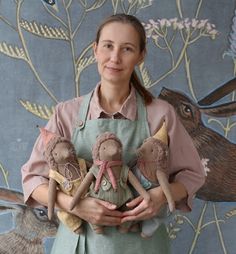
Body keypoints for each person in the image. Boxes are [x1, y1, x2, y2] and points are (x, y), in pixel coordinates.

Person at [21, 13, 205, 254]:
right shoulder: (66, 113)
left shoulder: (161, 114)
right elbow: (33, 179)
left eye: (127, 49)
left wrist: (162, 194)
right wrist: (75, 206)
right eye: (108, 46)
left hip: (143, 245)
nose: (115, 58)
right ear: (96, 50)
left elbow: (193, 175)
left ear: (141, 56)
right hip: (78, 245)